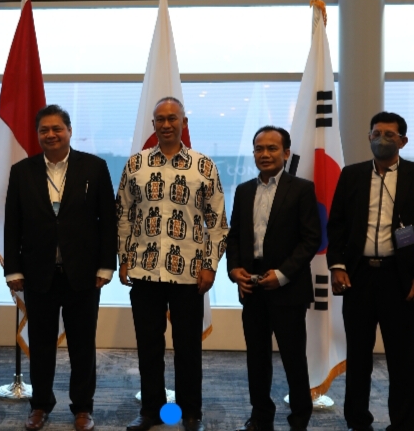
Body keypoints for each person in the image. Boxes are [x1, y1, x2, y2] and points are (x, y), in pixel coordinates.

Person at [116, 97, 228, 431]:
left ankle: (190, 413)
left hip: (190, 274)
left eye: (172, 118)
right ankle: (152, 411)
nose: (166, 124)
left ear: (184, 122)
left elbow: (218, 223)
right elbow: (123, 216)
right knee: (148, 346)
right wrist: (124, 259)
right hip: (144, 271)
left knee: (188, 348)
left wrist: (210, 265)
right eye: (160, 119)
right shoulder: (135, 165)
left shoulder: (203, 166)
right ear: (153, 124)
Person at [4, 104, 116, 431]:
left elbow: (108, 221)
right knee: (40, 345)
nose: (51, 135)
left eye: (57, 129)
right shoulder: (22, 171)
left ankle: (83, 407)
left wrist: (106, 266)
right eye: (44, 130)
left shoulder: (94, 167)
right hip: (38, 274)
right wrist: (13, 270)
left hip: (83, 274)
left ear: (69, 131)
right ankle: (40, 405)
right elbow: (13, 224)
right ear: (37, 134)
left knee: (82, 345)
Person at [227, 126, 321, 431]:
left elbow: (311, 239)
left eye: (271, 148)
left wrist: (281, 275)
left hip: (287, 288)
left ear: (286, 153)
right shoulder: (244, 190)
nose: (264, 154)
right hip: (251, 287)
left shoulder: (302, 189)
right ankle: (260, 417)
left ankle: (299, 420)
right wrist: (234, 270)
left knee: (293, 359)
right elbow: (234, 237)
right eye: (259, 148)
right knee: (257, 359)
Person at [327, 111, 414, 431]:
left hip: (400, 279)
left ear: (403, 141)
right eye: (376, 133)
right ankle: (358, 421)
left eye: (390, 135)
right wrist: (337, 266)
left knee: (402, 358)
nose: (382, 139)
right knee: (359, 355)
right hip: (359, 276)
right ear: (368, 137)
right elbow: (336, 225)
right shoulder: (352, 175)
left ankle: (403, 423)